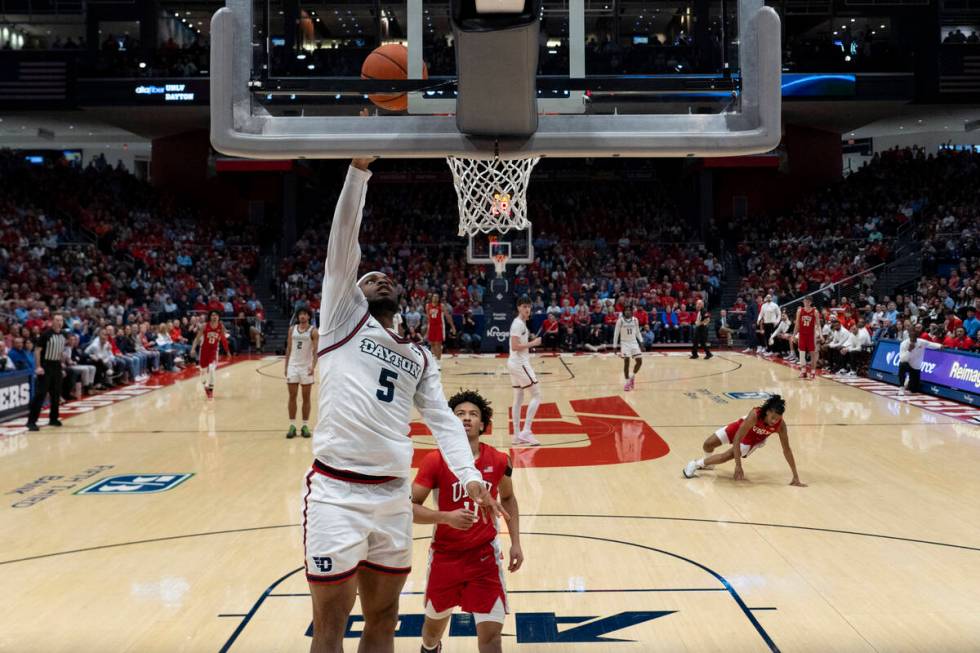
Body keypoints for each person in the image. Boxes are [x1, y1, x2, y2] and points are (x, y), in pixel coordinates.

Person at [305, 160, 505, 653]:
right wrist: (357, 173)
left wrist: (470, 475)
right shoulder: (341, 322)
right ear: (353, 293)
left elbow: (442, 419)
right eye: (369, 278)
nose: (380, 279)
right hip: (337, 492)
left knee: (386, 618)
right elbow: (342, 247)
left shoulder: (417, 354)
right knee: (330, 622)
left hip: (393, 498)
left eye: (387, 278)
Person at [412, 390, 523, 653]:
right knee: (432, 632)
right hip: (445, 557)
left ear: (483, 424)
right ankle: (430, 647)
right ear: (449, 422)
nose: (466, 418)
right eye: (459, 414)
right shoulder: (435, 460)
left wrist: (516, 542)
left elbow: (508, 498)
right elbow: (408, 508)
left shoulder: (498, 460)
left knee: (492, 637)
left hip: (484, 558)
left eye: (473, 414)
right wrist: (444, 517)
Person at [683, 395, 805, 486]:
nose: (774, 421)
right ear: (767, 412)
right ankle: (709, 465)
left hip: (752, 440)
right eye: (772, 418)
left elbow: (787, 450)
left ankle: (696, 464)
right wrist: (738, 465)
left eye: (777, 419)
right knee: (708, 444)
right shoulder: (755, 415)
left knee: (727, 455)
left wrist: (795, 476)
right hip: (740, 428)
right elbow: (737, 439)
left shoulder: (780, 426)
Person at [508, 296, 542, 446]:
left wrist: (529, 340)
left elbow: (518, 343)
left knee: (518, 398)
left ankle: (516, 435)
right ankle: (526, 431)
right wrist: (533, 343)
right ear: (518, 308)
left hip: (513, 363)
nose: (527, 309)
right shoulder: (518, 324)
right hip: (520, 363)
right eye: (524, 306)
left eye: (529, 306)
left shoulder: (520, 324)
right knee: (537, 395)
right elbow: (515, 346)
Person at [26, 313, 66, 432]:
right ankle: (31, 421)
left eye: (61, 320)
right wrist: (38, 366)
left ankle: (53, 418)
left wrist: (61, 365)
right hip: (46, 366)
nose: (59, 322)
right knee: (40, 394)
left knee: (56, 394)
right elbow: (37, 351)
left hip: (56, 366)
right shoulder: (46, 335)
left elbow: (60, 351)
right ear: (52, 321)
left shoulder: (63, 335)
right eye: (57, 320)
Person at [285, 307, 319, 439]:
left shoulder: (313, 331)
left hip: (306, 367)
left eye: (305, 314)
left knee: (306, 398)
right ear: (298, 316)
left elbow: (316, 351)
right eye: (300, 314)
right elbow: (288, 348)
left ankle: (305, 425)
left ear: (309, 316)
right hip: (293, 366)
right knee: (292, 396)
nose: (302, 316)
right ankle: (292, 425)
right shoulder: (292, 329)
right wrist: (286, 365)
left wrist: (313, 367)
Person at [191, 310, 229, 400]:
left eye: (216, 315)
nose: (214, 317)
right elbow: (197, 338)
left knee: (212, 369)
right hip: (204, 351)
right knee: (203, 371)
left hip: (214, 351)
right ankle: (205, 386)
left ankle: (211, 390)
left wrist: (227, 351)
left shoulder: (221, 326)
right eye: (212, 315)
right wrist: (192, 349)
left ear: (218, 317)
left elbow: (223, 339)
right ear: (210, 317)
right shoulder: (205, 326)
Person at [898, 329, 943, 396]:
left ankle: (909, 381)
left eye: (915, 336)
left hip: (916, 366)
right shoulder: (904, 344)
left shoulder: (921, 342)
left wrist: (940, 346)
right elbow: (902, 359)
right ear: (909, 336)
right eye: (911, 336)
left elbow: (931, 344)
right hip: (907, 363)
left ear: (917, 336)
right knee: (902, 365)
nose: (913, 337)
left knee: (914, 390)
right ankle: (901, 388)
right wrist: (909, 350)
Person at [613, 305, 643, 391]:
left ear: (631, 311)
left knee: (639, 361)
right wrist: (614, 346)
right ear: (624, 312)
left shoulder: (635, 320)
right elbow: (616, 334)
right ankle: (627, 382)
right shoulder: (620, 321)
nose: (628, 312)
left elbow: (637, 332)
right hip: (624, 343)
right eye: (626, 310)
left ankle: (632, 377)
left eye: (629, 310)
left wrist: (641, 342)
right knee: (627, 361)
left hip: (634, 342)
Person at [795, 297, 821, 379]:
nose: (806, 303)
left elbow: (818, 325)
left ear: (811, 302)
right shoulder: (800, 311)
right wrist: (793, 334)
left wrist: (821, 335)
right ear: (803, 302)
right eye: (805, 301)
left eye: (808, 301)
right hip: (802, 334)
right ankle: (803, 371)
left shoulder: (815, 311)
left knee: (812, 353)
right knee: (801, 353)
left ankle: (813, 372)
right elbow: (797, 324)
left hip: (811, 335)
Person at [426, 293, 456, 360]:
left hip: (439, 326)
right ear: (432, 298)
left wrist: (452, 326)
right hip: (431, 326)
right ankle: (434, 359)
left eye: (437, 297)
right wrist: (427, 329)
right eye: (434, 296)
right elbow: (428, 318)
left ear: (439, 299)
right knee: (432, 344)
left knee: (438, 344)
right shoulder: (428, 306)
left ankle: (438, 360)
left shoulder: (441, 306)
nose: (435, 298)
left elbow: (448, 316)